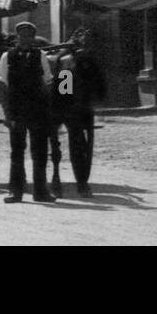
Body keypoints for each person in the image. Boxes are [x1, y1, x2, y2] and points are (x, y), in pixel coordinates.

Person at [0, 22, 55, 204]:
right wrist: (7, 114)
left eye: (30, 36)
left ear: (34, 38)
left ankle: (40, 191)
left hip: (38, 110)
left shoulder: (41, 55)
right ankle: (16, 191)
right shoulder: (7, 56)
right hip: (17, 110)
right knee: (17, 152)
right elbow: (1, 84)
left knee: (40, 152)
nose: (26, 39)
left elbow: (50, 81)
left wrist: (60, 100)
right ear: (17, 37)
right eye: (22, 36)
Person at [50, 28, 107, 198]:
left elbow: (100, 86)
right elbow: (64, 89)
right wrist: (72, 108)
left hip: (83, 108)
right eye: (84, 42)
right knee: (58, 144)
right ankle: (56, 178)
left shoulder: (92, 62)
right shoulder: (67, 61)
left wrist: (93, 103)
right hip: (65, 108)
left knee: (79, 146)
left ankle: (82, 182)